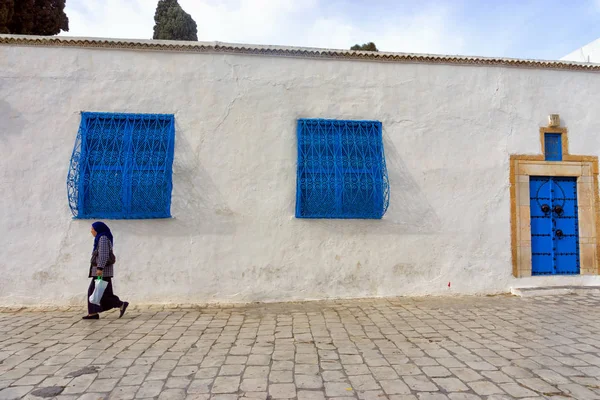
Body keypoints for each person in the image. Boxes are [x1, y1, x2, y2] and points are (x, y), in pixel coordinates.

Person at [83, 222, 129, 320]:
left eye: (92, 228)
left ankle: (94, 313)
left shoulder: (103, 238)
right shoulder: (100, 238)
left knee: (95, 292)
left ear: (98, 229)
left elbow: (103, 255)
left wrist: (100, 268)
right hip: (102, 271)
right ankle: (94, 312)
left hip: (102, 271)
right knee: (103, 293)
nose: (91, 231)